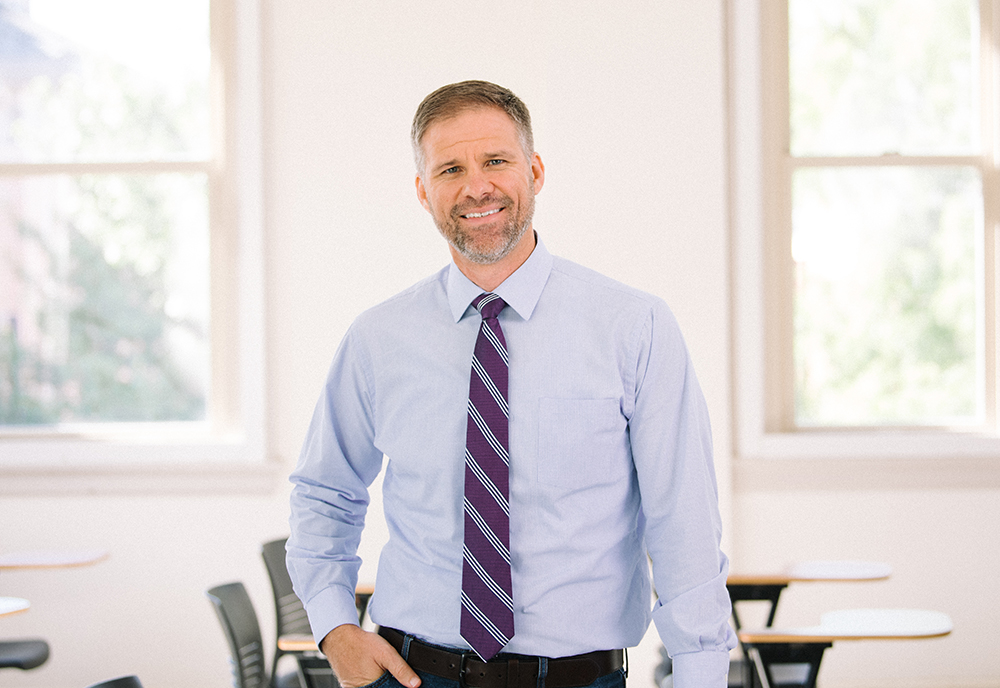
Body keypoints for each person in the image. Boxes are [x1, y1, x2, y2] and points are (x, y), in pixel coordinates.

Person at [287, 80, 736, 688]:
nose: (476, 186)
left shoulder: (633, 326)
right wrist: (335, 627)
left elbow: (682, 516)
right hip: (415, 673)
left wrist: (702, 673)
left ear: (536, 170)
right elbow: (325, 491)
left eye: (496, 160)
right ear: (424, 192)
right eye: (450, 169)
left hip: (578, 677)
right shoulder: (377, 339)